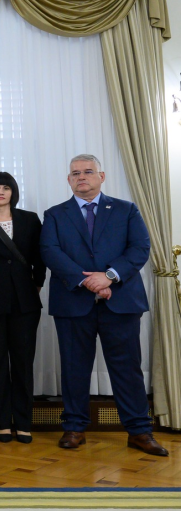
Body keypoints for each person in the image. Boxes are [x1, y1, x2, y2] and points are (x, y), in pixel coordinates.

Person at [40, 154, 168, 456]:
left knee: (127, 370)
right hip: (73, 302)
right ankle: (74, 427)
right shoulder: (55, 214)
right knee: (74, 369)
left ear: (102, 176)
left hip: (121, 303)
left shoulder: (126, 210)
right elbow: (50, 251)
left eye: (87, 172)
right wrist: (88, 281)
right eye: (75, 173)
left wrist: (109, 277)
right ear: (68, 180)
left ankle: (139, 431)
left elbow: (140, 248)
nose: (81, 177)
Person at [0, 171, 46, 444]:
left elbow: (40, 258)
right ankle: (2, 422)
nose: (0, 192)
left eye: (5, 187)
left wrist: (36, 284)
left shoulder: (30, 219)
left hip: (25, 303)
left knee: (23, 363)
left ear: (14, 191)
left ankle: (24, 422)